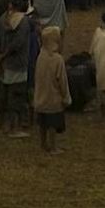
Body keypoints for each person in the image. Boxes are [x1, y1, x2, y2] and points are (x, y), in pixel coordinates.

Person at [0, 0, 33, 138]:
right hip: (17, 63)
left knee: (4, 94)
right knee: (16, 96)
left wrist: (0, 57)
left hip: (4, 63)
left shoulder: (3, 18)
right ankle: (14, 128)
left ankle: (3, 125)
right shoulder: (24, 22)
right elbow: (18, 44)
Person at [34, 26, 71, 154]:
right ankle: (54, 147)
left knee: (42, 123)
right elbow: (62, 81)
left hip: (40, 97)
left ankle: (43, 144)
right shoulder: (57, 59)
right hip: (53, 99)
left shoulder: (40, 56)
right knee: (52, 124)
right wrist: (66, 97)